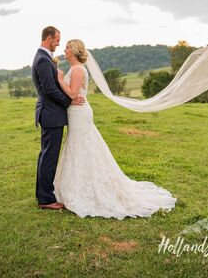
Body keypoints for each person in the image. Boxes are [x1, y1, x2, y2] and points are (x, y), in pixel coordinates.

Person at [54, 39, 177, 219]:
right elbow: (72, 95)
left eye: (66, 48)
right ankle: (74, 185)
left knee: (81, 147)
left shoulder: (78, 69)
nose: (63, 50)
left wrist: (59, 79)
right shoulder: (75, 69)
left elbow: (72, 93)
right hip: (75, 112)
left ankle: (85, 188)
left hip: (79, 113)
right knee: (78, 147)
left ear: (73, 51)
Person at [31, 26, 85, 210]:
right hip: (51, 114)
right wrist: (69, 101)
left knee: (46, 155)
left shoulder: (44, 58)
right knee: (48, 157)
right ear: (48, 38)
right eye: (57, 40)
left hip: (50, 113)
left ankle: (43, 195)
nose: (59, 43)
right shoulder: (43, 60)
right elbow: (50, 89)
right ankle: (46, 199)